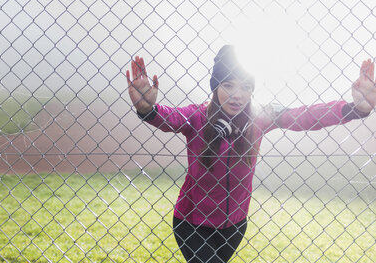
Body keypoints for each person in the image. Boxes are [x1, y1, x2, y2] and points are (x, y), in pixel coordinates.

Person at [125, 45, 375, 263]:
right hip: (191, 224)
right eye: (228, 85)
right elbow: (169, 118)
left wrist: (355, 109)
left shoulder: (261, 117)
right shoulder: (197, 117)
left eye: (245, 87)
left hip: (234, 226)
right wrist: (147, 108)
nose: (237, 95)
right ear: (215, 87)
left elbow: (306, 115)